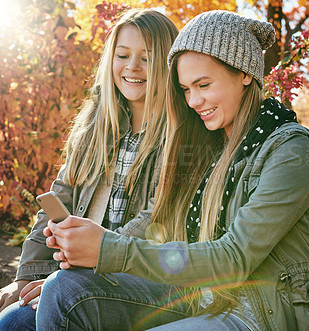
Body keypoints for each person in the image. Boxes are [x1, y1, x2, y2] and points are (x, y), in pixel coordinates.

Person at [35, 10, 309, 330]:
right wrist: (80, 258)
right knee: (50, 299)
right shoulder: (211, 148)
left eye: (203, 84)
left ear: (245, 74)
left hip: (265, 313)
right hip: (202, 299)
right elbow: (158, 215)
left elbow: (234, 259)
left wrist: (109, 249)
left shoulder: (292, 151)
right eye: (185, 89)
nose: (194, 100)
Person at [0, 8, 178, 330]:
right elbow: (57, 201)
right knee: (12, 321)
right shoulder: (97, 127)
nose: (132, 67)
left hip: (139, 279)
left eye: (147, 58)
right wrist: (25, 278)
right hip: (77, 275)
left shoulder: (179, 135)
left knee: (63, 294)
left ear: (168, 63)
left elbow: (155, 220)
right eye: (123, 55)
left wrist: (67, 279)